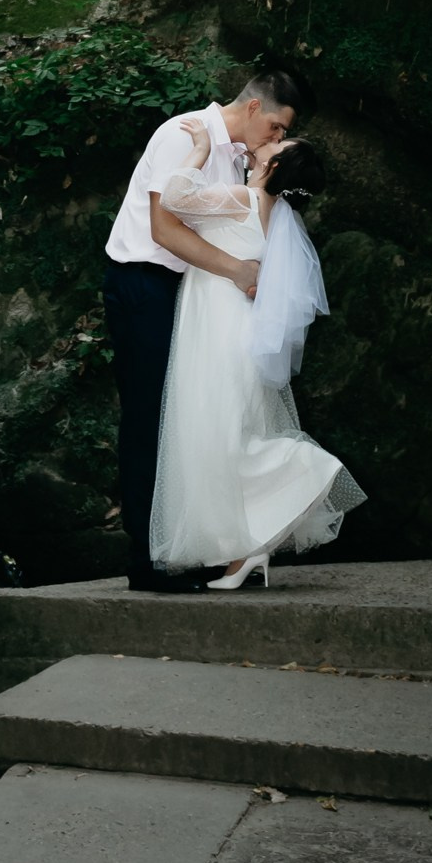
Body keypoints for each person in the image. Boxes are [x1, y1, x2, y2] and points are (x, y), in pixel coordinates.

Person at [102, 72, 299, 593]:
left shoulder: (237, 157)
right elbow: (164, 227)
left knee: (190, 420)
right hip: (143, 284)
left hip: (190, 296)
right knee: (149, 418)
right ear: (254, 107)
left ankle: (191, 546)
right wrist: (236, 269)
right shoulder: (182, 134)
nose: (276, 140)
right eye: (276, 127)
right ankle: (147, 560)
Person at [148, 126, 365, 589]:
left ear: (273, 167)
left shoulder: (241, 199)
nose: (264, 144)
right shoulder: (273, 210)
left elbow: (173, 198)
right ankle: (246, 553)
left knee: (219, 435)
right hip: (229, 324)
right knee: (226, 434)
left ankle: (306, 469)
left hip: (220, 328)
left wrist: (201, 150)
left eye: (273, 146)